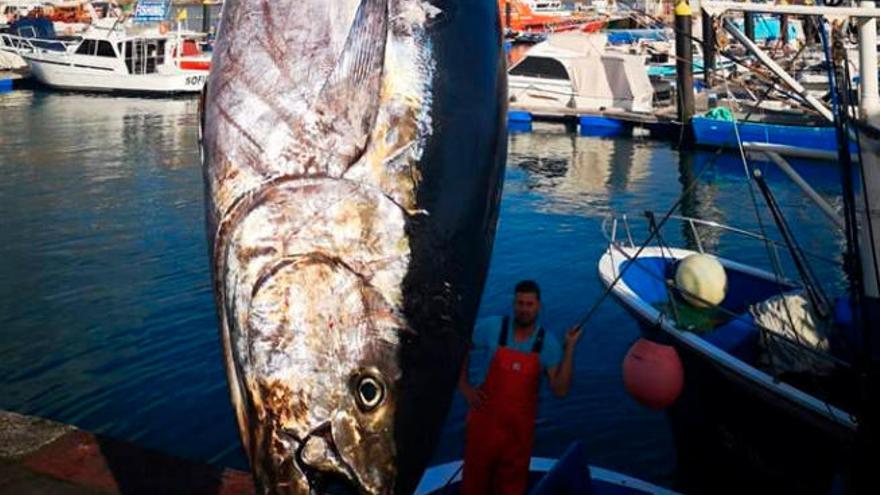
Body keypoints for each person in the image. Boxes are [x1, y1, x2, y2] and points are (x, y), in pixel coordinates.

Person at [459, 280, 583, 495]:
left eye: (529, 304)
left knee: (511, 488)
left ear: (538, 306)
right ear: (513, 304)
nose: (524, 309)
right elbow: (460, 344)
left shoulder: (548, 344)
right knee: (473, 484)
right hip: (483, 426)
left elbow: (560, 390)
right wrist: (464, 386)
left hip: (518, 434)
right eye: (520, 303)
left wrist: (570, 348)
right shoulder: (492, 327)